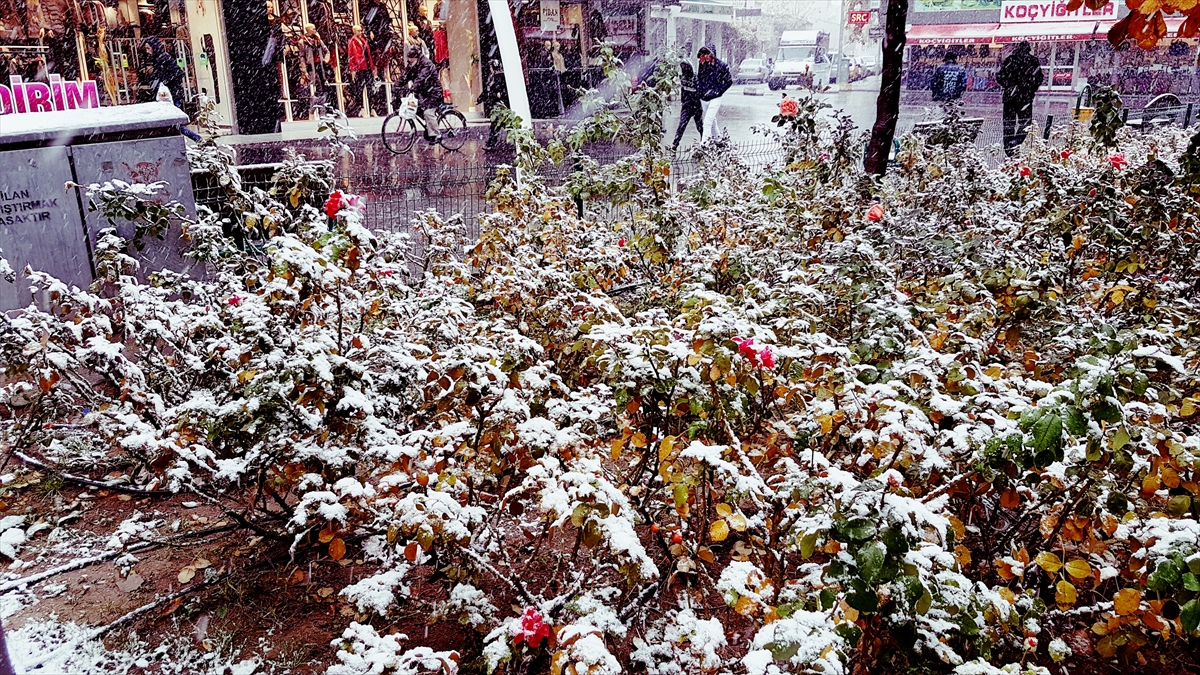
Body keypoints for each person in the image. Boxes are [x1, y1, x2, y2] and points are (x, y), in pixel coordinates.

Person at [997, 41, 1044, 155]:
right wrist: (1030, 88)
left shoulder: (1010, 60)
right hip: (1025, 97)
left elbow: (1000, 76)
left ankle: (1008, 149)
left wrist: (1009, 86)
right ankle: (1016, 142)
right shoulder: (1033, 61)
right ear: (1029, 49)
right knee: (1025, 123)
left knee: (1008, 123)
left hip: (1010, 97)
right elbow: (1039, 78)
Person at [399, 44, 444, 143]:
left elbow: (421, 77)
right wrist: (396, 87)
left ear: (417, 57)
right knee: (417, 109)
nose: (410, 61)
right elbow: (404, 77)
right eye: (409, 59)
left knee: (428, 112)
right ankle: (429, 128)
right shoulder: (413, 65)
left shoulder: (427, 64)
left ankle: (437, 135)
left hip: (434, 92)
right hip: (423, 93)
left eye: (411, 58)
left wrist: (413, 87)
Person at [696, 47, 732, 142]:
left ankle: (704, 145)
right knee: (712, 121)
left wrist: (718, 91)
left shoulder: (721, 66)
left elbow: (729, 81)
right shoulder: (702, 64)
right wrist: (700, 91)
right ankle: (719, 140)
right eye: (704, 54)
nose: (705, 56)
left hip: (716, 97)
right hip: (704, 97)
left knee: (707, 122)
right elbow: (699, 78)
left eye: (707, 54)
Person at [479, 57, 509, 151]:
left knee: (496, 125)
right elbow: (487, 90)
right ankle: (517, 140)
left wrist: (500, 93)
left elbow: (505, 90)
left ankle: (491, 144)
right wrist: (480, 99)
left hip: (500, 105)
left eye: (491, 67)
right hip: (495, 105)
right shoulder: (491, 77)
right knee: (502, 125)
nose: (490, 69)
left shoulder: (500, 77)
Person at [672, 61, 702, 151]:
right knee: (681, 125)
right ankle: (675, 144)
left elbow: (700, 92)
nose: (684, 70)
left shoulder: (696, 78)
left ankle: (704, 141)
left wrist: (698, 105)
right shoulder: (683, 78)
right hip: (686, 106)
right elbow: (683, 90)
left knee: (700, 126)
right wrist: (683, 101)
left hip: (696, 106)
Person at [346, 24, 374, 117]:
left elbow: (368, 54)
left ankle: (372, 108)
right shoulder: (352, 42)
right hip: (359, 67)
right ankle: (362, 108)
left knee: (370, 87)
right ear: (354, 31)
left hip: (366, 66)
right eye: (358, 31)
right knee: (360, 88)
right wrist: (353, 69)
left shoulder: (363, 40)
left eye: (360, 30)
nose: (360, 32)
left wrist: (372, 67)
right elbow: (351, 56)